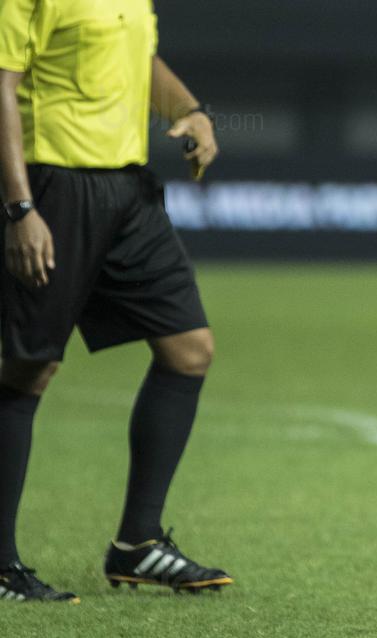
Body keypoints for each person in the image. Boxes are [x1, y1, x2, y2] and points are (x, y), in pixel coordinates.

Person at [0, 0, 231, 602]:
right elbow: (2, 86)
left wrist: (191, 111)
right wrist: (19, 208)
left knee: (189, 349)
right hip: (52, 183)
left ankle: (138, 544)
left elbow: (139, 60)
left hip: (127, 190)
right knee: (29, 369)